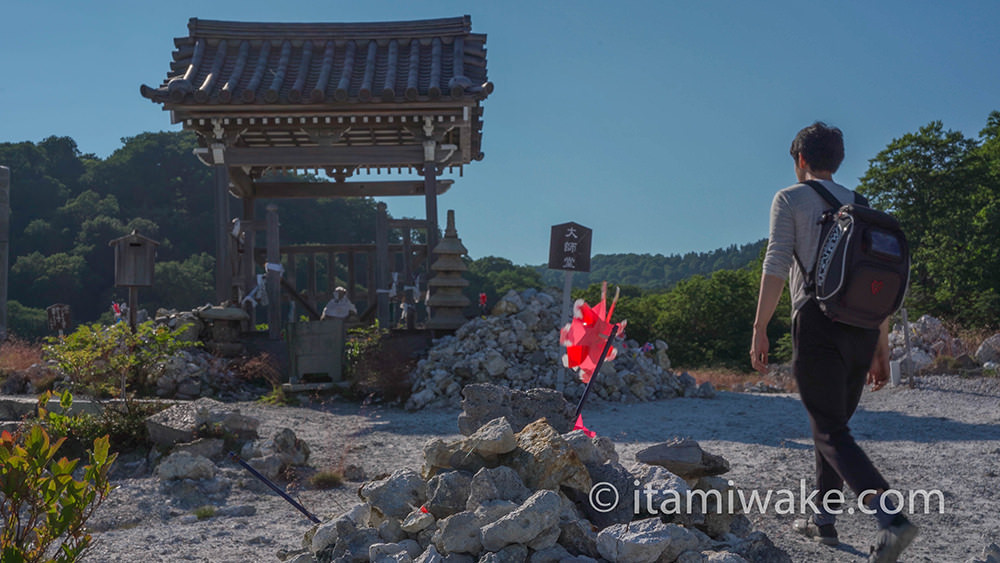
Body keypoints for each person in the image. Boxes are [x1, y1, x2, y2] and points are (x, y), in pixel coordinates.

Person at [751, 122, 917, 562]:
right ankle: (823, 520)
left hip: (817, 322)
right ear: (838, 160)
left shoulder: (789, 197)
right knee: (832, 429)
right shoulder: (862, 206)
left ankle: (892, 520)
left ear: (801, 160)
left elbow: (777, 260)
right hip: (863, 329)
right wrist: (881, 348)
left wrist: (759, 326)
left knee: (828, 429)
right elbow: (879, 282)